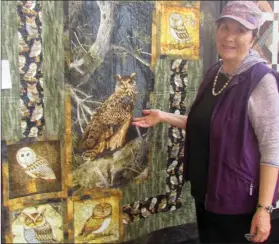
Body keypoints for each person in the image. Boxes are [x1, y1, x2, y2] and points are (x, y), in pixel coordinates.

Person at [132, 1, 279, 243]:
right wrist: (163, 116)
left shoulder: (261, 82)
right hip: (207, 193)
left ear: (253, 37)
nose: (229, 37)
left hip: (238, 202)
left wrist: (264, 209)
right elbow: (209, 125)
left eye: (240, 30)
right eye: (225, 28)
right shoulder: (215, 73)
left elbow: (272, 150)